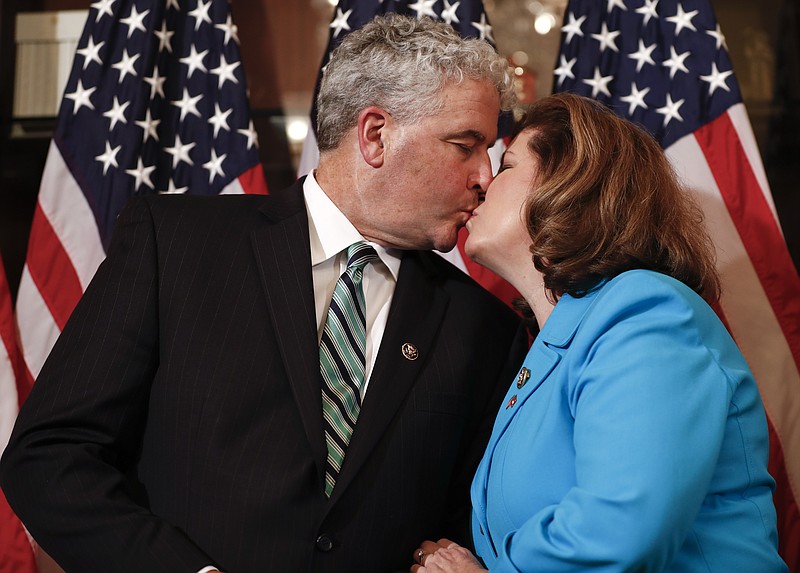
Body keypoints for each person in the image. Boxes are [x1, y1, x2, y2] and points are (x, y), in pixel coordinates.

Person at [0, 14, 528, 573]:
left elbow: (464, 521)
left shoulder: (484, 328)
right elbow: (50, 454)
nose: (484, 177)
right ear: (376, 135)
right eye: (465, 145)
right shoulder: (176, 243)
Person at [411, 93, 787, 572]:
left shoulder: (645, 311)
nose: (483, 183)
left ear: (569, 185)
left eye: (505, 166)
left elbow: (619, 529)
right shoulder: (552, 346)